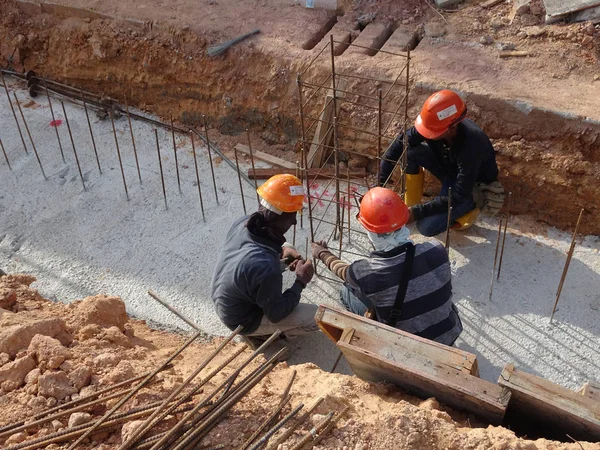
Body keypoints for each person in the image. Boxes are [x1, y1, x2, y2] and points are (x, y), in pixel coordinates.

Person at [312, 187, 462, 346]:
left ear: (372, 232)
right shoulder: (436, 249)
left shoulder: (365, 273)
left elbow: (343, 271)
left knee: (346, 291)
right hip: (449, 335)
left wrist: (322, 253)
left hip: (407, 350)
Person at [211, 174, 317, 348]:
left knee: (271, 263)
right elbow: (277, 313)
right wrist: (301, 281)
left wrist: (285, 249)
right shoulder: (266, 267)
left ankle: (262, 328)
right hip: (241, 320)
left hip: (226, 299)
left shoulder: (244, 222)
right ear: (281, 218)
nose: (295, 221)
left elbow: (267, 245)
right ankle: (264, 338)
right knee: (316, 318)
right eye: (292, 216)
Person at [379, 89, 505, 237]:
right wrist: (378, 185)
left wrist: (418, 212)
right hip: (449, 169)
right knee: (409, 151)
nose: (426, 134)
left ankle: (468, 212)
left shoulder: (471, 147)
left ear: (451, 128)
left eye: (431, 132)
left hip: (470, 188)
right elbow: (400, 144)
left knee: (426, 227)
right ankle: (411, 204)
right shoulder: (436, 124)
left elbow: (458, 195)